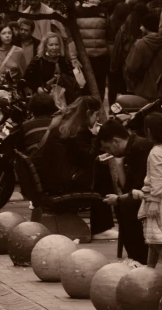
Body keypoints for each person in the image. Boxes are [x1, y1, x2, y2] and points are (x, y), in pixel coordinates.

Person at [30, 96, 118, 240]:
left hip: (52, 180)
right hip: (61, 184)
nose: (97, 119)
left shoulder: (62, 125)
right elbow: (88, 155)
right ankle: (102, 227)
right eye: (96, 115)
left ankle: (103, 226)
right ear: (88, 112)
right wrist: (96, 136)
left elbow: (79, 156)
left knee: (100, 170)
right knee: (102, 174)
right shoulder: (77, 130)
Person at [99, 119, 153, 264]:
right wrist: (119, 164)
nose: (108, 152)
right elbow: (127, 188)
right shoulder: (127, 152)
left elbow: (139, 190)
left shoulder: (139, 148)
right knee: (122, 204)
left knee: (126, 207)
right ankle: (134, 256)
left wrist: (118, 199)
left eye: (107, 148)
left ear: (116, 141)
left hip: (152, 194)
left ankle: (138, 258)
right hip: (142, 193)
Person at [23, 32, 78, 107]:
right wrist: (37, 88)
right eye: (51, 45)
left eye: (56, 44)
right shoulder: (38, 61)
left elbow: (73, 79)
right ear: (45, 46)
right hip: (45, 100)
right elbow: (26, 79)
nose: (54, 48)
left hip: (65, 100)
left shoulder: (64, 60)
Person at [74, 0, 109, 98]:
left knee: (85, 84)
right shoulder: (103, 11)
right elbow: (108, 32)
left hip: (84, 54)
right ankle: (99, 107)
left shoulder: (76, 12)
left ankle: (87, 107)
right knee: (100, 83)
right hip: (101, 54)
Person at [111, 2, 149, 97]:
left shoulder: (126, 27)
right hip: (148, 71)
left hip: (128, 68)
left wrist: (114, 66)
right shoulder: (151, 26)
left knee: (128, 96)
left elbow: (118, 48)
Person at [139, 114, 162, 267]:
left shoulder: (155, 152)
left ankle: (149, 271)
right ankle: (149, 270)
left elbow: (157, 178)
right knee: (153, 242)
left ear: (148, 131)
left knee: (157, 241)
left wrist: (154, 200)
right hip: (156, 199)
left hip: (157, 202)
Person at [125, 13, 162, 101]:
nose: (140, 28)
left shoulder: (140, 44)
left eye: (142, 26)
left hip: (144, 90)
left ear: (147, 27)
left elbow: (131, 67)